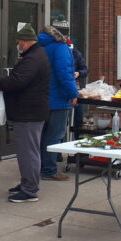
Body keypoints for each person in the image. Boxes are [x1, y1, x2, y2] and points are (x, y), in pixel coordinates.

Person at [0, 24, 50, 202]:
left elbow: (17, 82)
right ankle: (26, 183)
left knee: (28, 152)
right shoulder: (38, 55)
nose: (17, 45)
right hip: (30, 111)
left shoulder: (32, 59)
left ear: (24, 42)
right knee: (27, 151)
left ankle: (30, 190)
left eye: (18, 42)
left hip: (28, 113)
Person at [38, 27, 78, 181]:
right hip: (58, 99)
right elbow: (65, 73)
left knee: (42, 135)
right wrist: (73, 93)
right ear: (63, 36)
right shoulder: (61, 48)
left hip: (41, 97)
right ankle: (49, 170)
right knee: (54, 136)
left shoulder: (40, 46)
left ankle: (40, 166)